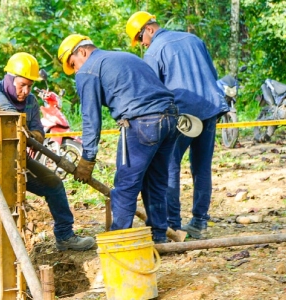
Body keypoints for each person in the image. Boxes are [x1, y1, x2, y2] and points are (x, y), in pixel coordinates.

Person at [57, 34, 180, 243]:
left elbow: (90, 117)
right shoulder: (123, 58)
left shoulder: (88, 69)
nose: (76, 70)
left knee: (125, 186)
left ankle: (119, 243)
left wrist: (87, 158)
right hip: (171, 119)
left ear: (83, 52)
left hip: (143, 122)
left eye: (73, 64)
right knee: (156, 182)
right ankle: (159, 238)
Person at [126, 11, 229, 239]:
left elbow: (151, 92)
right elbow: (212, 75)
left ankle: (174, 223)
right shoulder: (193, 39)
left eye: (140, 38)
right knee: (201, 167)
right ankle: (200, 222)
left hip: (181, 115)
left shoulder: (155, 51)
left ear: (149, 29)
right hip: (210, 108)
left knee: (169, 166)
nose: (142, 44)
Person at [0, 52, 96, 251]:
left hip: (17, 159)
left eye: (29, 86)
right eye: (21, 85)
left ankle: (65, 236)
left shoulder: (31, 101)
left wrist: (33, 136)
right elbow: (4, 108)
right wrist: (18, 123)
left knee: (54, 184)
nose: (25, 91)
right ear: (9, 79)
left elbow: (39, 133)